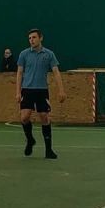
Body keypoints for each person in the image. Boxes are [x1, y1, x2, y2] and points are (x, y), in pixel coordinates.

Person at [16, 29, 65, 159]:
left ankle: (48, 150)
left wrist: (61, 90)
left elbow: (56, 72)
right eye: (29, 38)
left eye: (34, 37)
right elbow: (19, 73)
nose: (31, 40)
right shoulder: (24, 54)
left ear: (40, 38)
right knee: (24, 117)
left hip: (42, 90)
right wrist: (18, 92)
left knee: (44, 117)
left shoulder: (49, 54)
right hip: (27, 89)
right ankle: (30, 139)